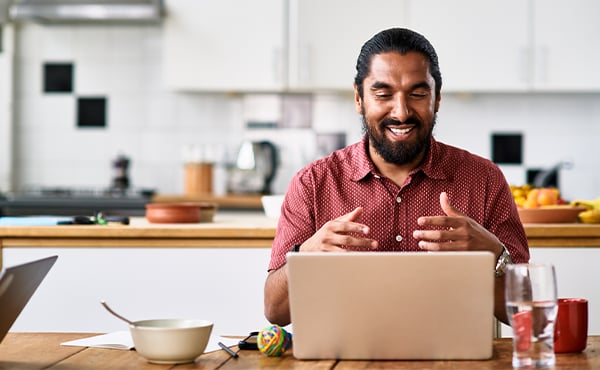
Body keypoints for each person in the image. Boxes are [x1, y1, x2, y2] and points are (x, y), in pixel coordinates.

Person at [263, 27, 529, 326]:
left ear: (436, 98)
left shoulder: (483, 179)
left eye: (417, 94)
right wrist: (306, 255)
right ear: (359, 98)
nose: (401, 112)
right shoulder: (312, 183)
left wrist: (494, 253)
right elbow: (276, 312)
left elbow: (523, 313)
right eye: (383, 94)